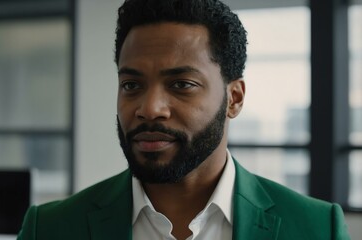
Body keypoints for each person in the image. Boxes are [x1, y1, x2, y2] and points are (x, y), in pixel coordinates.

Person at [17, 0, 351, 239]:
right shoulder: (49, 228)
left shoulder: (317, 228)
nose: (150, 108)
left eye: (181, 85)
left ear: (234, 99)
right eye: (131, 85)